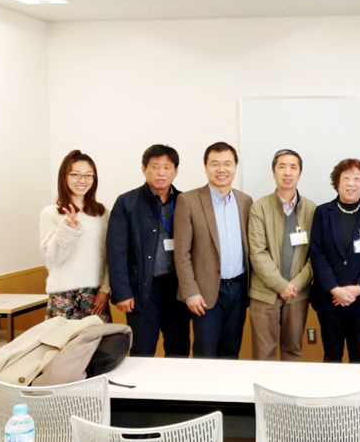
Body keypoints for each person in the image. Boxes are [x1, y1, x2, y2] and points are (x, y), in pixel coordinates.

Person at [106, 144, 191, 357]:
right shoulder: (127, 202)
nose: (161, 172)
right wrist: (122, 292)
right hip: (143, 289)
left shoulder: (185, 202)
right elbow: (116, 251)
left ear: (176, 171)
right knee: (142, 351)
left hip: (177, 290)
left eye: (167, 167)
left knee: (179, 351)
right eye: (155, 166)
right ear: (144, 169)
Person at [174, 142, 252, 358]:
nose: (221, 169)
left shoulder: (245, 201)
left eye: (227, 164)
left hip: (238, 290)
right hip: (204, 293)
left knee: (231, 352)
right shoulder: (188, 201)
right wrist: (190, 292)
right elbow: (181, 253)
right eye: (215, 164)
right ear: (206, 167)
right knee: (205, 353)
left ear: (235, 167)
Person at [309, 159, 360, 363]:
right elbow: (317, 253)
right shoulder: (322, 213)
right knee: (332, 356)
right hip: (329, 299)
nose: (351, 184)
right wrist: (335, 289)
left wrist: (358, 289)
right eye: (346, 178)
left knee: (359, 356)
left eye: (357, 179)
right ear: (337, 182)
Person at [248, 149, 315, 361]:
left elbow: (316, 255)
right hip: (264, 293)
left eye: (293, 167)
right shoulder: (259, 207)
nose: (287, 172)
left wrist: (295, 284)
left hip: (297, 294)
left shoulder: (312, 209)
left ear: (300, 173)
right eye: (282, 167)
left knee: (293, 353)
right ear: (273, 172)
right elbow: (257, 253)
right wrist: (281, 285)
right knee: (263, 355)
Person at [39, 150, 112, 322]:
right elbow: (52, 257)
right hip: (62, 295)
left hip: (95, 295)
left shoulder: (102, 213)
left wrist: (105, 289)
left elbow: (109, 255)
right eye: (75, 174)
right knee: (63, 340)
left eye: (88, 175)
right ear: (64, 177)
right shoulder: (51, 213)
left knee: (99, 339)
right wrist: (66, 228)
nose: (82, 180)